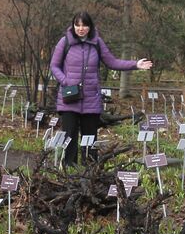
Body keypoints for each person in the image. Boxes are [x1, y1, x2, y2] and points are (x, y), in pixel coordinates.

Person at [50, 12, 152, 165]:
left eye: (84, 25)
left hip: (91, 99)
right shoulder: (65, 42)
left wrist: (135, 65)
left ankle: (89, 168)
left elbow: (112, 62)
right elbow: (54, 66)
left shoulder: (97, 43)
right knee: (69, 135)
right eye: (77, 25)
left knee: (90, 137)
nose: (81, 28)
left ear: (90, 26)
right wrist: (65, 81)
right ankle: (69, 167)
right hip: (69, 98)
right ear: (73, 26)